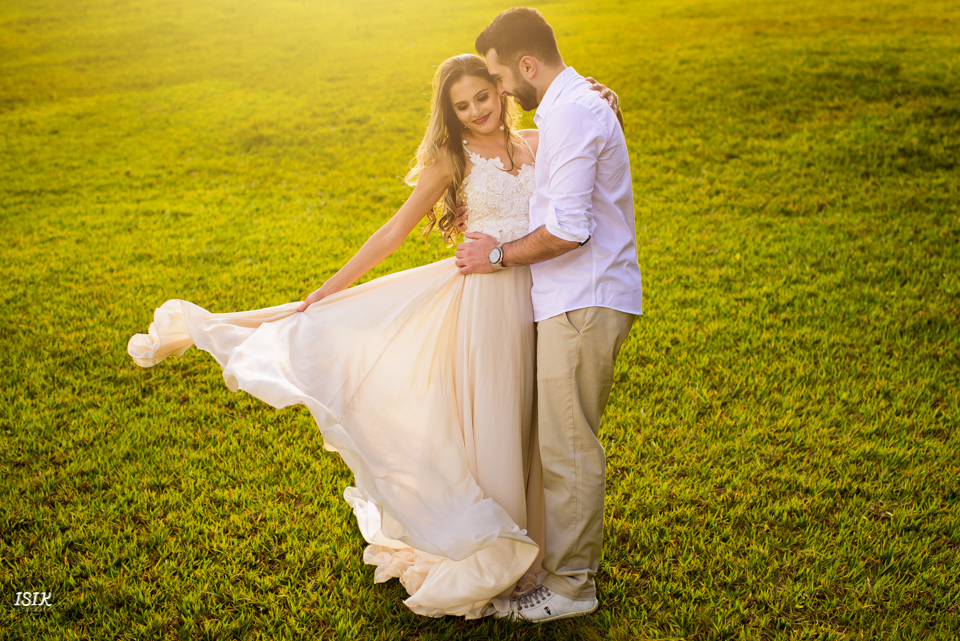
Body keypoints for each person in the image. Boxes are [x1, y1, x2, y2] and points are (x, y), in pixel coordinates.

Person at [128, 53, 620, 619]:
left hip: (542, 294)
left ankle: (541, 542)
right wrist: (331, 287)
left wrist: (606, 104)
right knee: (496, 416)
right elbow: (395, 228)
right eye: (462, 105)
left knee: (536, 422)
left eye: (483, 96)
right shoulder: (451, 156)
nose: (476, 111)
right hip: (485, 302)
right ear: (450, 113)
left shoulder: (536, 140)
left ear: (501, 88)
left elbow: (584, 162)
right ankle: (498, 555)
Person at [455, 8, 643, 623]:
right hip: (572, 299)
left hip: (582, 300)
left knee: (568, 448)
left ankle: (571, 587)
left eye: (501, 78)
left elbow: (569, 229)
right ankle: (566, 570)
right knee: (561, 443)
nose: (502, 91)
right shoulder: (577, 104)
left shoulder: (572, 110)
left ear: (527, 66)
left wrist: (500, 255)